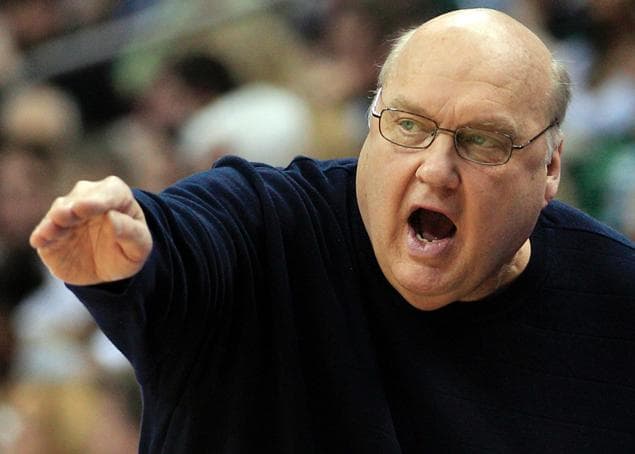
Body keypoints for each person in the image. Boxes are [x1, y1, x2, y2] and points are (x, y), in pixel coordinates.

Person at [29, 8, 635, 453]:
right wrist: (135, 254)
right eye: (408, 125)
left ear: (550, 167)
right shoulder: (268, 224)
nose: (436, 168)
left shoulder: (616, 300)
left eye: (482, 141)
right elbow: (189, 243)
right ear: (371, 123)